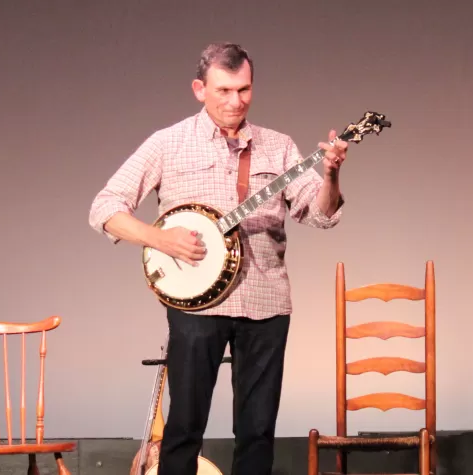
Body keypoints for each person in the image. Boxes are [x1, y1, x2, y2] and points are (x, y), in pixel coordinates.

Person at [89, 42, 348, 475]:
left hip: (266, 302)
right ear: (199, 89)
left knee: (258, 429)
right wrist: (161, 239)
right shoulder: (167, 144)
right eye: (224, 90)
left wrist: (332, 175)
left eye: (244, 90)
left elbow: (320, 216)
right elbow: (104, 208)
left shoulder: (278, 146)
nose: (236, 101)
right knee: (185, 426)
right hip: (196, 307)